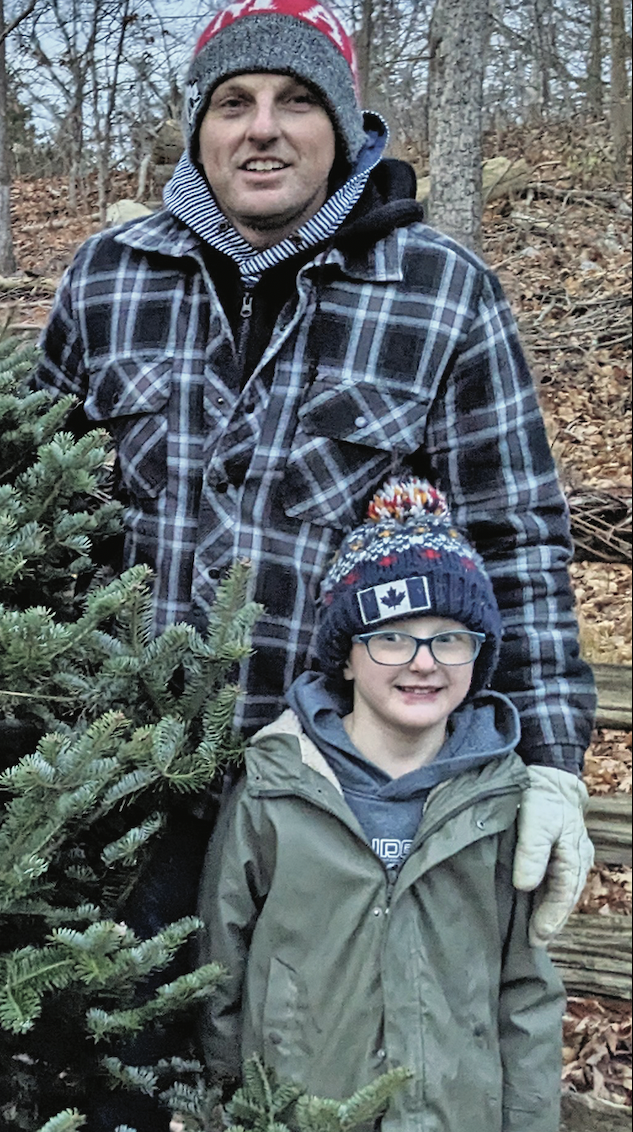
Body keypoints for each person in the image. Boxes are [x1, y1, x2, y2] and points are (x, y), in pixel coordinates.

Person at [27, 0, 592, 1128]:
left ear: (341, 126)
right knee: (112, 1087)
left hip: (342, 804)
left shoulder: (438, 295)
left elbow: (513, 532)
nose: (261, 127)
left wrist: (549, 759)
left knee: (304, 1092)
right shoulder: (109, 280)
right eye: (231, 101)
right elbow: (30, 518)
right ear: (197, 128)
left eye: (295, 100)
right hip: (129, 792)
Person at [199, 478, 563, 1128]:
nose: (422, 661)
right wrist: (227, 1103)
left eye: (449, 637)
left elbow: (525, 992)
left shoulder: (500, 799)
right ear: (344, 654)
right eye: (391, 636)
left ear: (477, 655)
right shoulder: (276, 783)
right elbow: (218, 968)